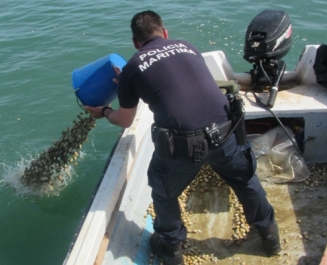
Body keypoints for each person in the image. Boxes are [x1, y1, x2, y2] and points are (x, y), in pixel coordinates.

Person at [86, 10, 281, 265]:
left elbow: (125, 120)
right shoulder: (186, 46)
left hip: (182, 146)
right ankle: (270, 238)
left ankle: (171, 248)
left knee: (164, 192)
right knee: (244, 179)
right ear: (165, 33)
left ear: (135, 43)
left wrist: (104, 111)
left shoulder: (133, 67)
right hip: (225, 130)